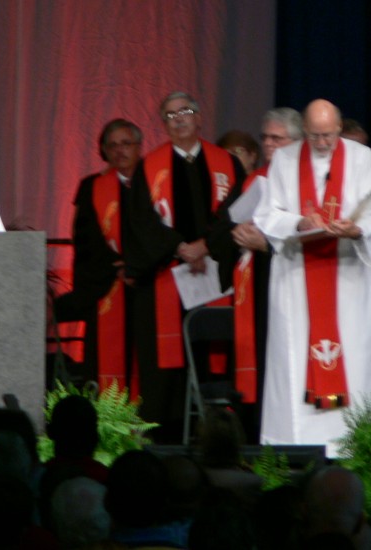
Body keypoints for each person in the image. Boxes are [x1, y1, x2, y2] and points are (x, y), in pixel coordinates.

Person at [253, 99, 371, 458]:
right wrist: (300, 222)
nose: (322, 143)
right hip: (297, 277)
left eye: (328, 135)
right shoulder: (284, 160)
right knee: (295, 359)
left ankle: (354, 445)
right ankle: (293, 447)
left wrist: (355, 229)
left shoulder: (362, 158)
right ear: (304, 131)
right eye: (315, 135)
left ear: (340, 128)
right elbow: (268, 215)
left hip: (350, 277)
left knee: (356, 358)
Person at [126, 91, 246, 437]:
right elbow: (141, 222)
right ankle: (167, 432)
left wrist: (206, 245)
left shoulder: (227, 163)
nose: (179, 119)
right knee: (167, 361)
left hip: (217, 273)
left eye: (185, 111)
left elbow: (238, 211)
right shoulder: (149, 167)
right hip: (166, 275)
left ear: (199, 117)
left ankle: (221, 431)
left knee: (215, 352)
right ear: (163, 124)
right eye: (170, 115)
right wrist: (179, 247)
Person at [212, 107, 302, 442]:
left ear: (298, 142)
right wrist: (236, 233)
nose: (268, 144)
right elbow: (217, 231)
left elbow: (313, 237)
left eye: (277, 139)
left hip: (293, 292)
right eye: (265, 138)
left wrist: (267, 244)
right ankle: (253, 439)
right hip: (255, 294)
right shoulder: (253, 181)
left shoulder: (306, 183)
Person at [52, 119, 145, 392]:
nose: (119, 151)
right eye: (112, 145)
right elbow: (85, 241)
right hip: (104, 285)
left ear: (138, 147)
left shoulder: (156, 183)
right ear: (103, 150)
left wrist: (138, 265)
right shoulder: (92, 187)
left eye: (126, 143)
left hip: (147, 283)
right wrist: (117, 268)